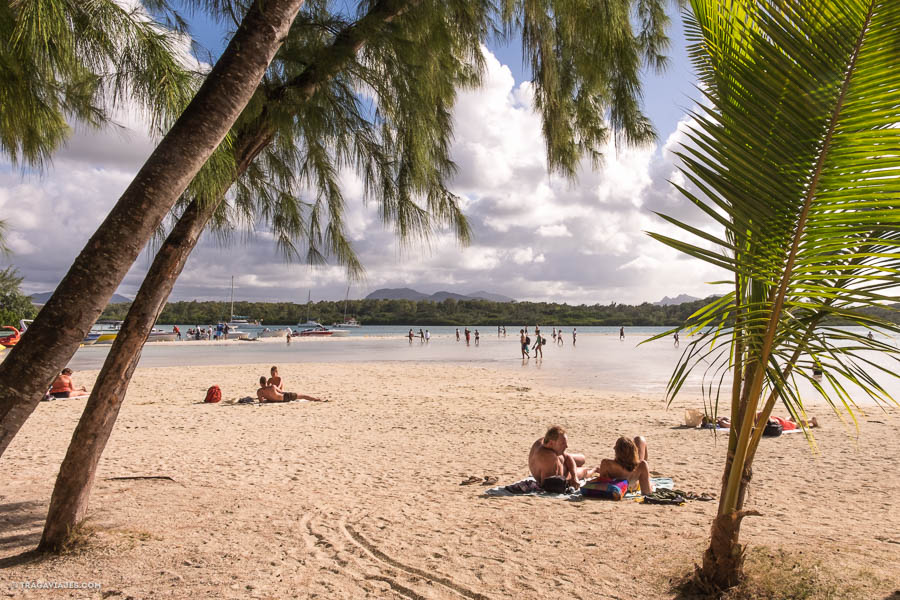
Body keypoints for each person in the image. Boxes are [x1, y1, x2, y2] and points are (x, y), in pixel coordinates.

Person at [528, 425, 590, 491]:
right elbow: (550, 485)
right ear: (551, 443)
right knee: (584, 470)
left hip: (560, 461)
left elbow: (567, 457)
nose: (567, 446)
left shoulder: (544, 441)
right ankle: (594, 470)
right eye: (563, 443)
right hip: (563, 472)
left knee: (582, 458)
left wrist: (574, 477)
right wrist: (574, 477)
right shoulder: (549, 458)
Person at [587, 436, 653, 495]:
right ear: (634, 450)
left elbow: (603, 482)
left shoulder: (607, 464)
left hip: (618, 486)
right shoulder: (642, 465)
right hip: (634, 484)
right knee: (640, 439)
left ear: (616, 451)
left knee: (639, 439)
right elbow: (647, 492)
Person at [256, 376, 323, 403]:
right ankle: (316, 399)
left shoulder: (259, 392)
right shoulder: (272, 387)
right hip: (285, 397)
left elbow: (261, 401)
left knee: (301, 396)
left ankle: (315, 399)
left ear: (260, 383)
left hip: (281, 399)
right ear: (266, 382)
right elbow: (282, 392)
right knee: (302, 396)